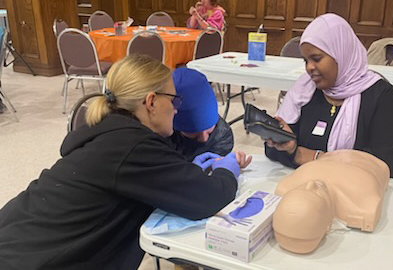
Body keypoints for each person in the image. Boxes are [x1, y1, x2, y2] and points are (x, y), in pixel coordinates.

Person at [0, 54, 241, 270]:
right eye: (174, 101)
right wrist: (226, 171)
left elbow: (145, 176)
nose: (176, 110)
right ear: (151, 102)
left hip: (17, 236)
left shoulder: (113, 131)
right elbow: (209, 198)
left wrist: (185, 171)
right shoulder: (134, 146)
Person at [265, 13, 393, 179]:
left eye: (316, 58)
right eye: (305, 60)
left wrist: (308, 156)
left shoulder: (383, 98)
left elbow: (385, 166)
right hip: (305, 187)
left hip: (356, 197)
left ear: (342, 53)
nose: (309, 67)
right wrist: (289, 148)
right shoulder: (304, 90)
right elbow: (273, 149)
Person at [169, 68, 252, 167]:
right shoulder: (160, 137)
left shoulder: (221, 134)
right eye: (195, 134)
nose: (204, 139)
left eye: (209, 131)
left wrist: (227, 165)